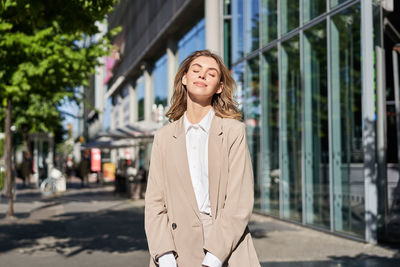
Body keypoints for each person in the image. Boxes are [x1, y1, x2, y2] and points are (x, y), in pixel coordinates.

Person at [145, 50, 260, 267]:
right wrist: (164, 255)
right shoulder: (163, 138)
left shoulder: (233, 132)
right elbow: (154, 202)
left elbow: (239, 201)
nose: (202, 75)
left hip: (225, 246)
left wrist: (214, 258)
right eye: (196, 70)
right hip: (174, 247)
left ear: (219, 87)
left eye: (211, 73)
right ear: (185, 79)